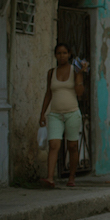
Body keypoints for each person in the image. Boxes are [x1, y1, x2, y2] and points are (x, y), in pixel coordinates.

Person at [38, 43, 88, 188]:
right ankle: (50, 178)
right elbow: (48, 94)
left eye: (64, 53)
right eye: (59, 53)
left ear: (69, 54)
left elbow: (79, 92)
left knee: (72, 146)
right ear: (55, 55)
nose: (62, 56)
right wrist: (42, 114)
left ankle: (71, 177)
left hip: (72, 113)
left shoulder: (75, 70)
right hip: (55, 114)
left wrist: (80, 75)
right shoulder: (51, 73)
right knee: (54, 145)